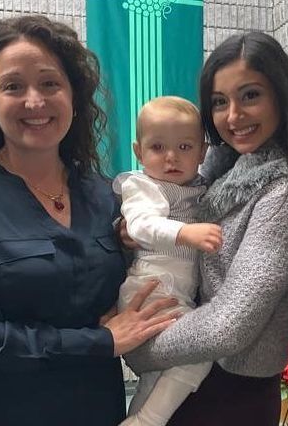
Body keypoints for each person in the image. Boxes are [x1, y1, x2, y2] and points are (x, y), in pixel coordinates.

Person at [0, 15, 179, 426]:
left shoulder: (106, 194)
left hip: (92, 405)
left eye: (49, 83)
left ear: (74, 96)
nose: (35, 101)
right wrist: (100, 342)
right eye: (12, 86)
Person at [123, 31, 288, 425]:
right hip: (189, 374)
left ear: (282, 97)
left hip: (230, 395)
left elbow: (229, 326)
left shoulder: (286, 194)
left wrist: (135, 347)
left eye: (250, 95)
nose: (233, 116)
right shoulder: (214, 180)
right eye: (219, 102)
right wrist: (128, 230)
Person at [115, 96, 220, 426]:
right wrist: (185, 234)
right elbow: (141, 224)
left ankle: (137, 419)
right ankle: (149, 420)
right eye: (158, 147)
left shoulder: (199, 187)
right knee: (198, 355)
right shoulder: (143, 186)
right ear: (138, 152)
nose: (171, 157)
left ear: (203, 152)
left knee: (157, 376)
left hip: (172, 293)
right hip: (151, 290)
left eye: (185, 147)